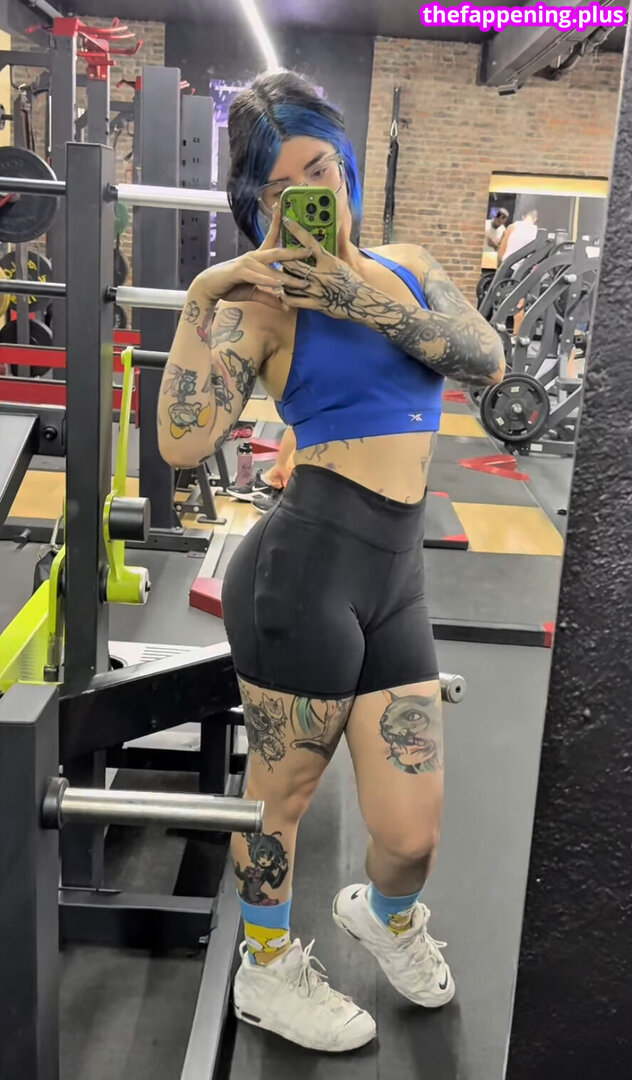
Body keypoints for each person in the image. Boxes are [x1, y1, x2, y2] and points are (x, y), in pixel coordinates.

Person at [158, 70, 504, 1053]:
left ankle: (384, 917)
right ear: (260, 207)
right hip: (303, 575)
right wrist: (202, 296)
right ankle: (264, 970)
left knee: (410, 835)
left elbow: (485, 360)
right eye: (283, 190)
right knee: (284, 797)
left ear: (346, 168)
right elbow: (183, 442)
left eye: (320, 171)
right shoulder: (262, 305)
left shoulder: (408, 269)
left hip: (396, 577)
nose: (312, 196)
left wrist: (365, 300)